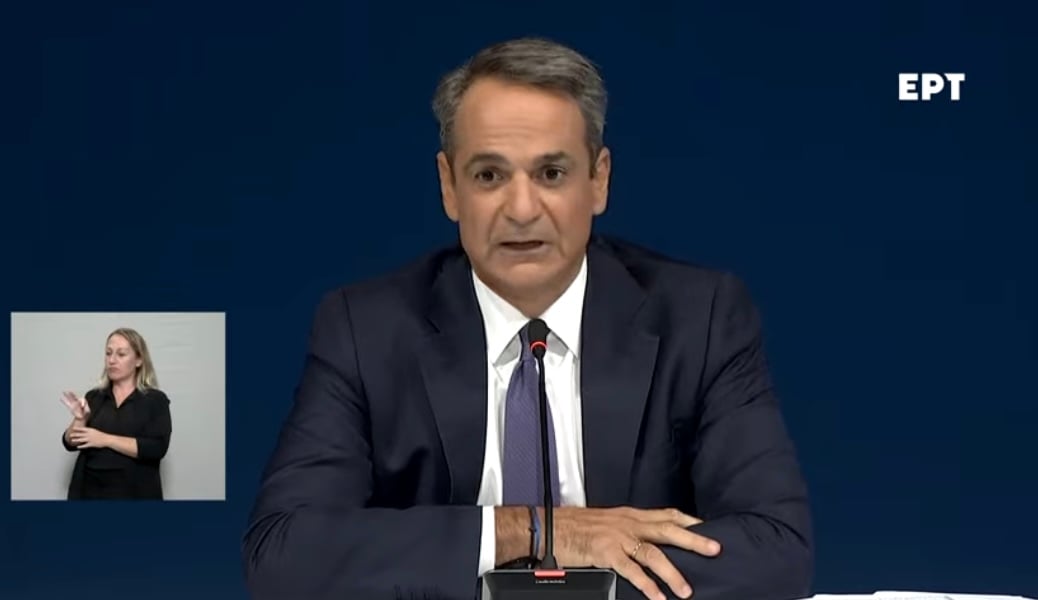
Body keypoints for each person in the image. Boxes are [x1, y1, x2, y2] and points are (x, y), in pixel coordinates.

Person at [242, 37, 813, 600]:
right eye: (489, 176)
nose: (521, 209)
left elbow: (776, 547)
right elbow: (285, 555)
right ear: (449, 187)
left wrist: (574, 590)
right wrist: (537, 531)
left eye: (551, 174)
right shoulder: (366, 331)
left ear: (599, 180)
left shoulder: (699, 319)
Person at [61, 327, 172, 500]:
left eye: (121, 354)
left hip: (136, 494)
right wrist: (80, 419)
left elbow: (157, 448)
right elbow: (70, 443)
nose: (112, 360)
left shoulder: (155, 400)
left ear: (139, 360)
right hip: (89, 493)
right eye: (108, 353)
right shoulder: (94, 397)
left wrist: (105, 439)